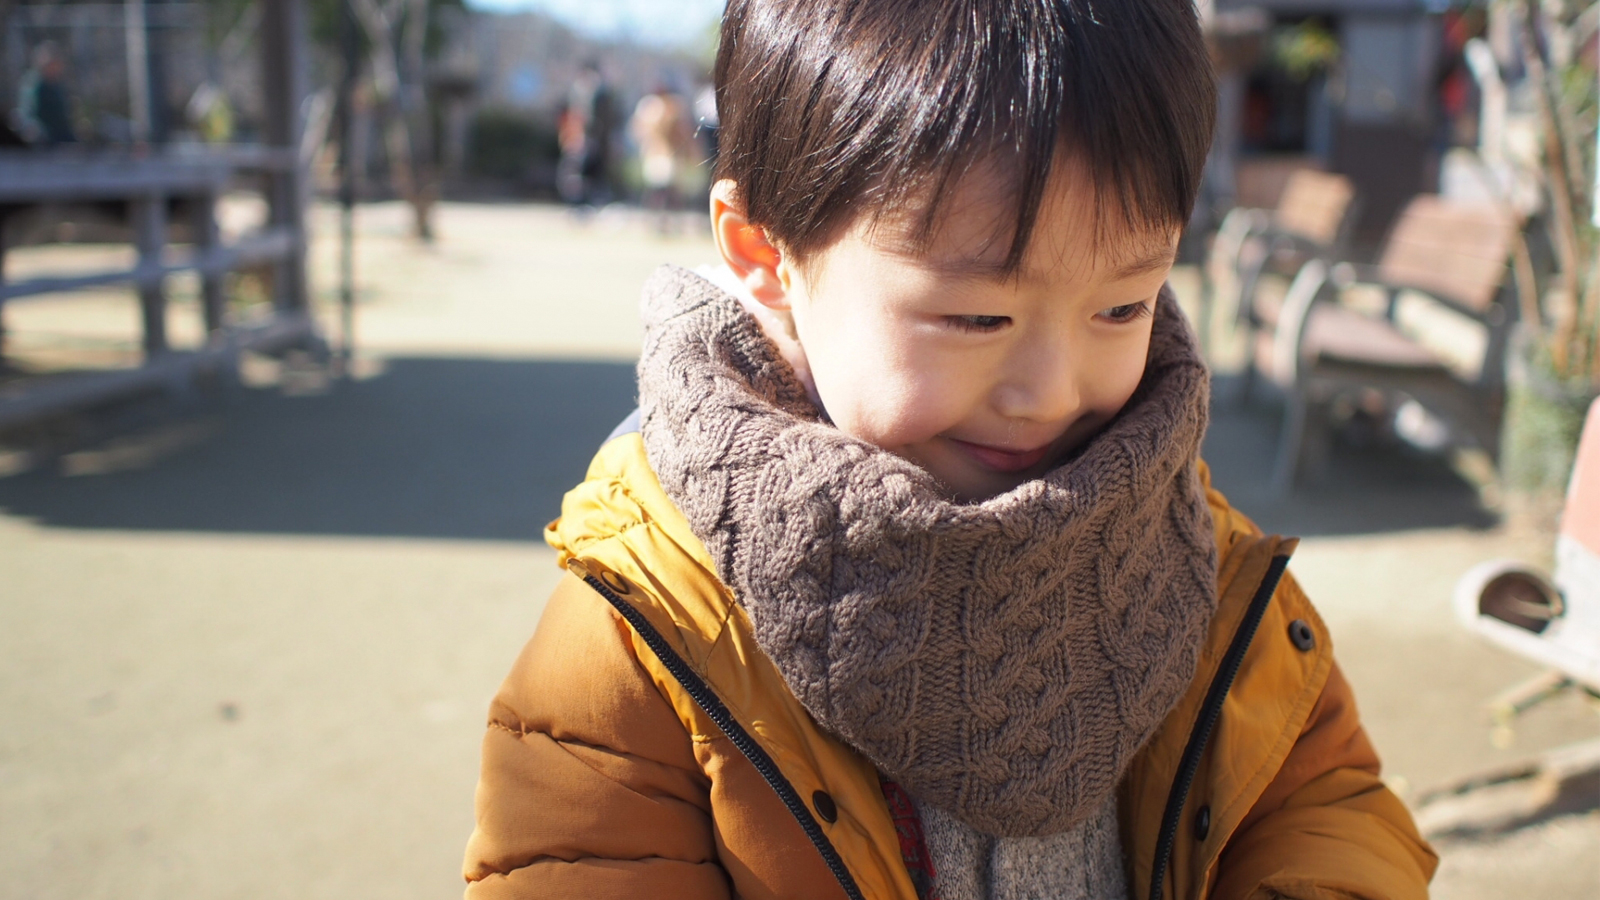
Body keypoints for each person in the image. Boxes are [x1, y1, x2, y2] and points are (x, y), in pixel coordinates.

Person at [462, 2, 1437, 898]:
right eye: (975, 317)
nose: (1051, 392)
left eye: (1122, 305)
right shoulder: (647, 626)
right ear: (764, 252)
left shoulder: (1194, 560)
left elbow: (1323, 808)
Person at [630, 84, 695, 233]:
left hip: (667, 153)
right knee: (660, 191)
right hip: (658, 153)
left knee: (666, 192)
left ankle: (666, 223)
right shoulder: (654, 109)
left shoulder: (669, 108)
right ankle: (658, 223)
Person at [556, 59, 616, 209]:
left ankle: (592, 204)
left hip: (592, 142)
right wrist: (573, 138)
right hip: (577, 140)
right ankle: (576, 204)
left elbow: (603, 121)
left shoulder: (599, 95)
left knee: (592, 175)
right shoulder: (577, 94)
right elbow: (571, 118)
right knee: (574, 175)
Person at [12, 41, 76, 146]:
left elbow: (63, 116)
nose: (55, 67)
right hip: (41, 135)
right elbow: (26, 113)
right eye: (52, 64)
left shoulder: (57, 85)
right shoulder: (33, 84)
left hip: (60, 133)